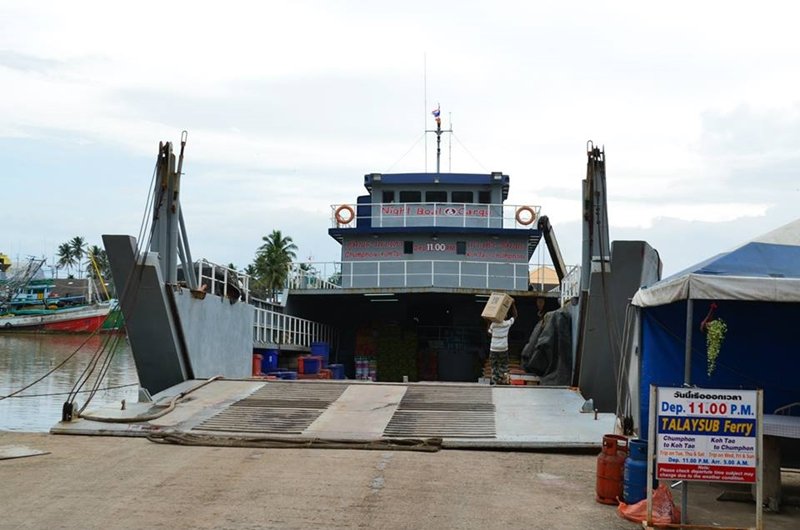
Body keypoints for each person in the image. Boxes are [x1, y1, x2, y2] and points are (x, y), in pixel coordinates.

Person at [487, 299, 518, 385]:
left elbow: (489, 333)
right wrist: (513, 304)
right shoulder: (507, 324)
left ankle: (494, 381)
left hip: (493, 349)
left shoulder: (493, 324)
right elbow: (515, 316)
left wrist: (488, 321)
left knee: (494, 366)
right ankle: (504, 380)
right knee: (504, 365)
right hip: (503, 349)